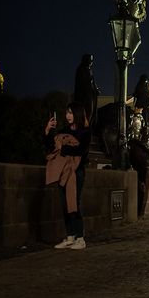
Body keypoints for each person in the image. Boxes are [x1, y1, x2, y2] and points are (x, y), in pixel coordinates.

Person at [44, 102, 91, 250]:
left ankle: (80, 238)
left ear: (77, 114)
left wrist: (63, 148)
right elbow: (51, 148)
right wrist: (47, 131)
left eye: (70, 113)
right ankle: (70, 236)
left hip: (76, 171)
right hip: (64, 171)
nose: (68, 116)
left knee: (74, 203)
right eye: (66, 113)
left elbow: (80, 151)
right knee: (65, 204)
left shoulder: (85, 132)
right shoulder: (64, 130)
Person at [129, 106, 149, 218]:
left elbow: (144, 131)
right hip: (137, 149)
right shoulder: (132, 118)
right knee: (141, 190)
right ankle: (139, 212)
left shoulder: (141, 119)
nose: (140, 110)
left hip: (137, 152)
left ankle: (139, 211)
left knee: (140, 190)